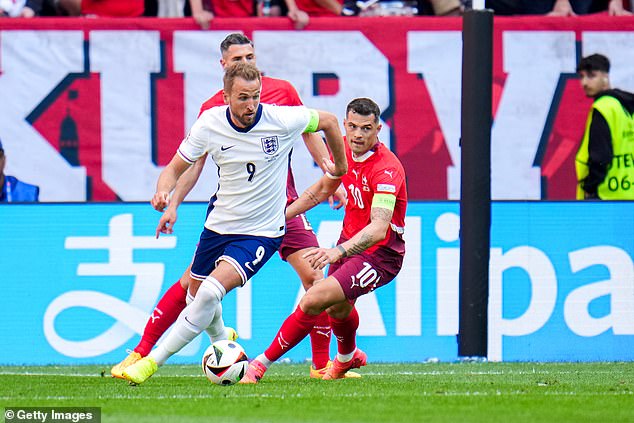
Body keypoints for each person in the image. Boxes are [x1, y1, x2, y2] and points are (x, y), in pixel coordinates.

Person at [111, 33, 353, 381]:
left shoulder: (279, 103)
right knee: (195, 292)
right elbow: (187, 165)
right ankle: (217, 341)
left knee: (314, 279)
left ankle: (319, 367)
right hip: (224, 219)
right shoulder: (210, 116)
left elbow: (320, 128)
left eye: (250, 58)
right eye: (238, 60)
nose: (246, 65)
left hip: (277, 214)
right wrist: (170, 199)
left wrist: (334, 172)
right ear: (224, 70)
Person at [240, 97, 408, 383]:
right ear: (345, 124)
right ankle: (347, 357)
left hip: (380, 255)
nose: (358, 134)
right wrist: (279, 217)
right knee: (337, 308)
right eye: (353, 126)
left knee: (314, 298)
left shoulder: (386, 169)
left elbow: (379, 228)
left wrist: (336, 252)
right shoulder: (341, 147)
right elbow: (320, 190)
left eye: (366, 128)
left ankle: (259, 366)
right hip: (350, 243)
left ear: (378, 128)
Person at [575, 54, 634, 200]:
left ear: (605, 77)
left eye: (591, 76)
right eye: (581, 76)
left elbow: (600, 156)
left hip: (607, 195)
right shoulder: (626, 106)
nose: (584, 83)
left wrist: (590, 187)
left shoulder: (603, 108)